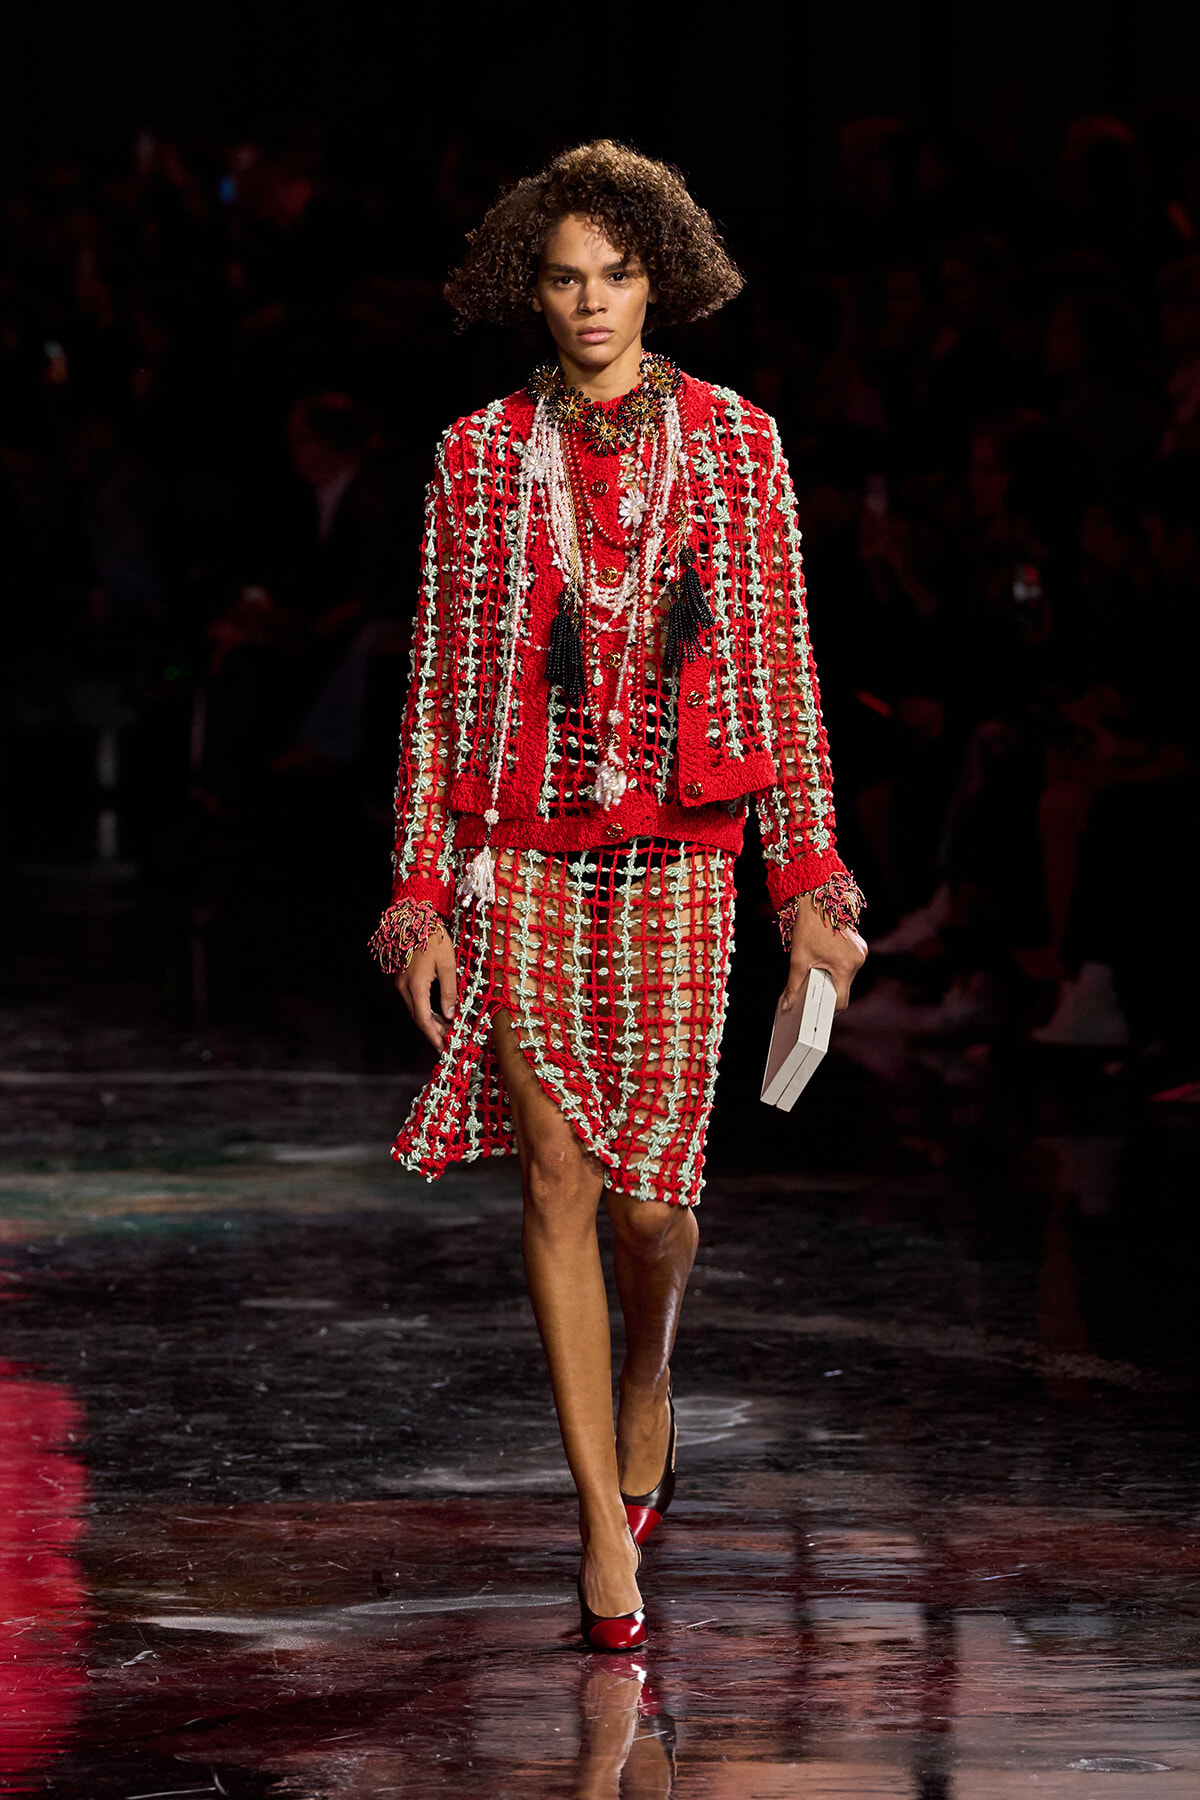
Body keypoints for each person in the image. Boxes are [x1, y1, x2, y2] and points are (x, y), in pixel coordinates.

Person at [370, 141, 866, 1650]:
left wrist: (809, 882)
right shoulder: (477, 456)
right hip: (521, 860)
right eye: (565, 278)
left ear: (663, 281)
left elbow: (780, 676)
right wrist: (422, 895)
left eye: (618, 275)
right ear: (530, 289)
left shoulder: (735, 445)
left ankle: (649, 1369)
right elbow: (440, 691)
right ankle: (599, 1525)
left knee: (653, 1209)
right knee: (556, 1183)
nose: (591, 303)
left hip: (683, 866)